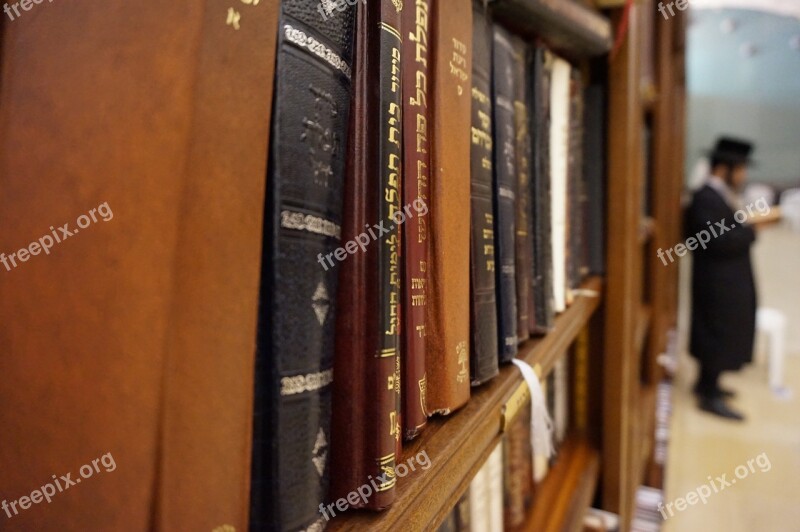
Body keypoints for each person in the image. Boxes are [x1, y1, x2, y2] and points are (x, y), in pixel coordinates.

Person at [685, 137, 759, 421]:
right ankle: (709, 395)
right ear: (723, 168)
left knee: (722, 332)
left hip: (724, 281)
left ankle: (708, 383)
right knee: (715, 333)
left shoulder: (719, 197)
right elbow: (716, 240)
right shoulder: (706, 198)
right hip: (715, 283)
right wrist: (751, 231)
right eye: (740, 169)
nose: (743, 176)